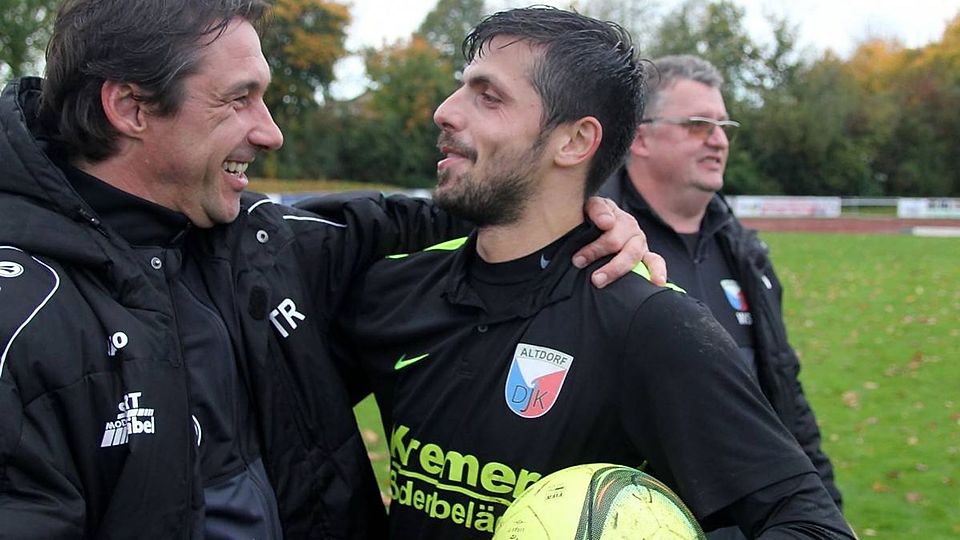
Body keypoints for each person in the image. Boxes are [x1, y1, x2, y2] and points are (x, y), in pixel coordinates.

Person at [0, 1, 660, 538]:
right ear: (132, 108)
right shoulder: (22, 320)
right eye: (240, 99)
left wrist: (584, 211)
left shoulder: (269, 244)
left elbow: (433, 214)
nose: (271, 131)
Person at [333, 7, 854, 540]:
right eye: (460, 89)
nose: (445, 111)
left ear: (576, 141)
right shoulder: (394, 288)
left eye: (488, 96)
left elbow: (813, 525)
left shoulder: (651, 322)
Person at [598, 55, 843, 539]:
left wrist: (827, 512)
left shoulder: (746, 253)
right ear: (640, 137)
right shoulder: (599, 243)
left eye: (723, 124)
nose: (719, 139)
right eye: (697, 124)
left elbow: (783, 393)